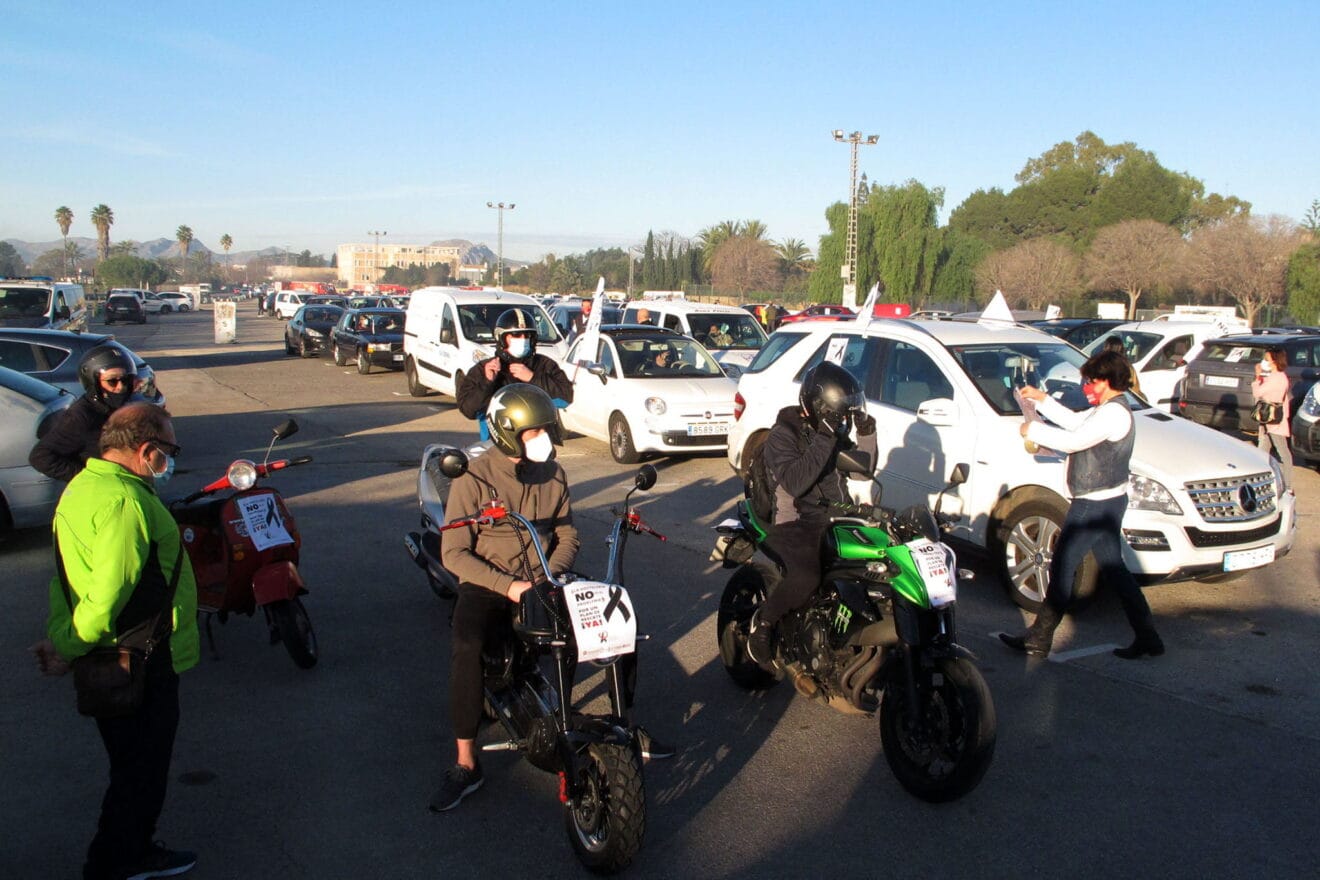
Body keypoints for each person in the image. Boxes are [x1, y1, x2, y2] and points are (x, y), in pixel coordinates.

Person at [29, 403, 200, 880]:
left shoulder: (84, 487)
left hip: (117, 655)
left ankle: (132, 850)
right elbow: (107, 594)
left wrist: (61, 636)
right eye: (169, 451)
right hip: (140, 658)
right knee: (140, 772)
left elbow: (65, 579)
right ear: (146, 450)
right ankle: (115, 862)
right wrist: (67, 648)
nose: (170, 461)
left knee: (131, 764)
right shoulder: (125, 502)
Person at [998, 350, 1163, 660]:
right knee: (1115, 570)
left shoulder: (1113, 414)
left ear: (1107, 380)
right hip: (1108, 501)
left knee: (1062, 566)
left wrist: (1033, 429)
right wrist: (1042, 401)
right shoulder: (1109, 409)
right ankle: (1148, 636)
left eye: (1091, 381)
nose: (1086, 386)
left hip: (1093, 505)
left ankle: (1040, 636)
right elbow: (1076, 423)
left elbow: (1075, 440)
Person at [747, 361, 878, 664]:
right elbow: (796, 482)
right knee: (806, 576)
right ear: (820, 406)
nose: (843, 418)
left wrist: (867, 433)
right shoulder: (783, 434)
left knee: (877, 565)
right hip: (794, 523)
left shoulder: (830, 431)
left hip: (836, 516)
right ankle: (763, 624)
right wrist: (826, 436)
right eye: (840, 412)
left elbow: (862, 472)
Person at [29, 344, 138, 482]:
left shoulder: (118, 408)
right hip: (102, 489)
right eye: (112, 381)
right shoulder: (82, 415)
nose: (121, 387)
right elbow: (41, 457)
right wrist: (89, 477)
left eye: (125, 380)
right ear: (94, 382)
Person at [456, 308, 573, 427]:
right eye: (516, 335)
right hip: (497, 434)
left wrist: (533, 378)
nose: (523, 339)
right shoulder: (485, 368)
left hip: (538, 431)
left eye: (527, 335)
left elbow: (567, 396)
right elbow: (468, 410)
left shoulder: (544, 364)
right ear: (501, 338)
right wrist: (487, 382)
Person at [1252, 347, 1293, 493]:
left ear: (1274, 361)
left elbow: (1258, 392)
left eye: (1267, 359)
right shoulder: (1279, 377)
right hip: (1270, 419)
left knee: (1282, 452)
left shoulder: (1277, 378)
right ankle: (1260, 481)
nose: (1264, 362)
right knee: (1262, 451)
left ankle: (1287, 486)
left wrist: (1257, 378)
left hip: (1273, 421)